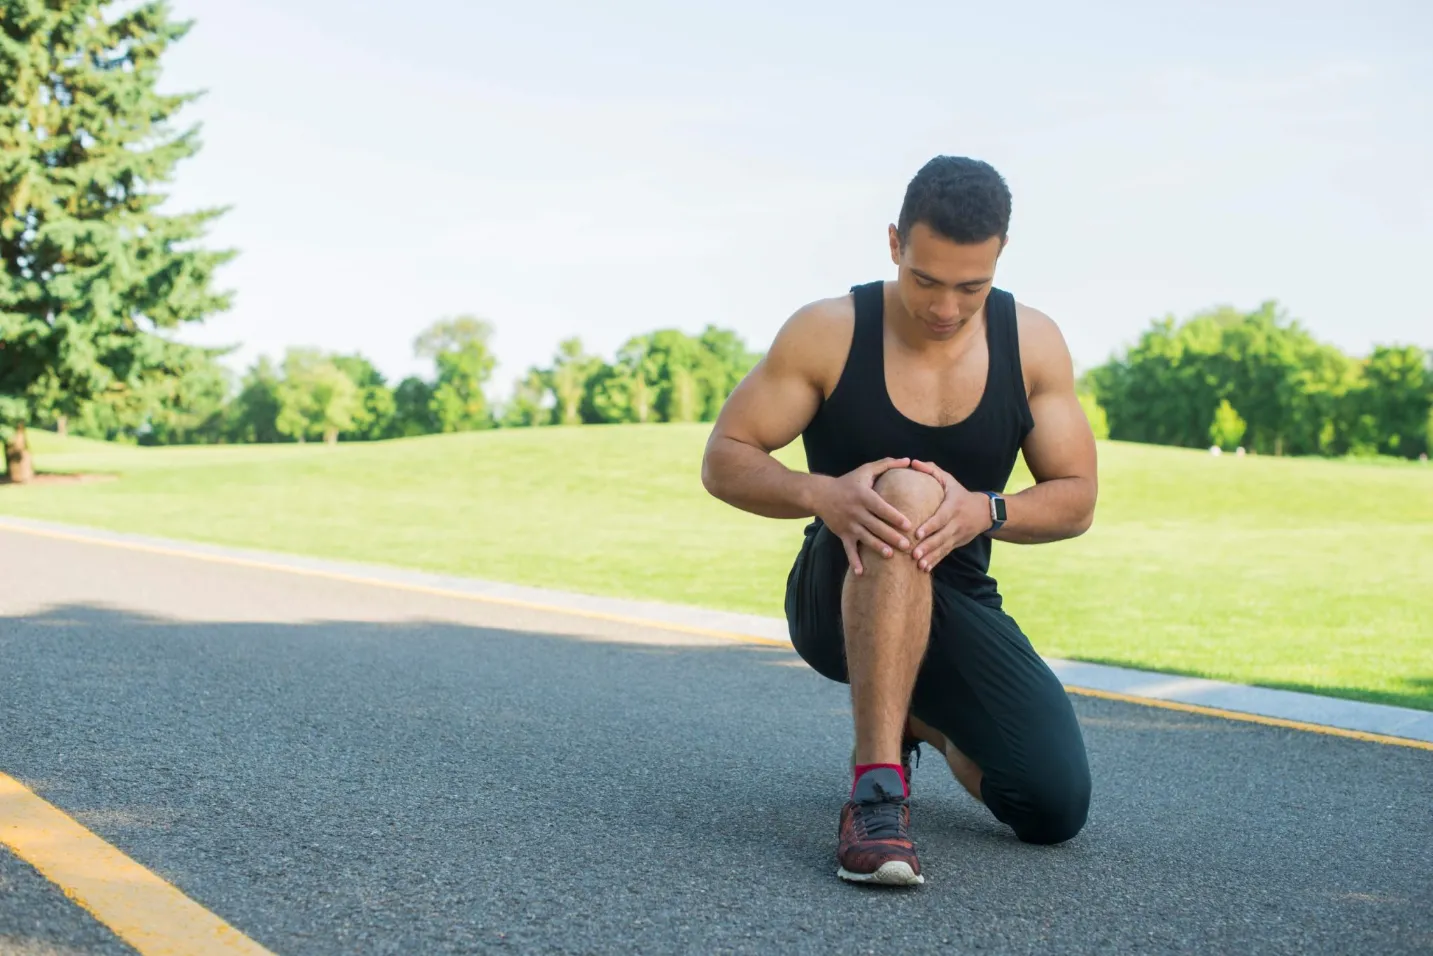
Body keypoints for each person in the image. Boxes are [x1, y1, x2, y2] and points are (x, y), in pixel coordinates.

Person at [700, 156, 1098, 886]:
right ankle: (875, 794)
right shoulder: (829, 331)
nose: (945, 307)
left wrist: (986, 509)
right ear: (894, 244)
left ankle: (917, 719)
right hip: (839, 588)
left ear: (998, 259)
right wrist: (822, 494)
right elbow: (724, 458)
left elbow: (1075, 497)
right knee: (904, 493)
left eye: (969, 288)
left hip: (956, 598)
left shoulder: (1032, 343)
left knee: (1051, 806)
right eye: (925, 280)